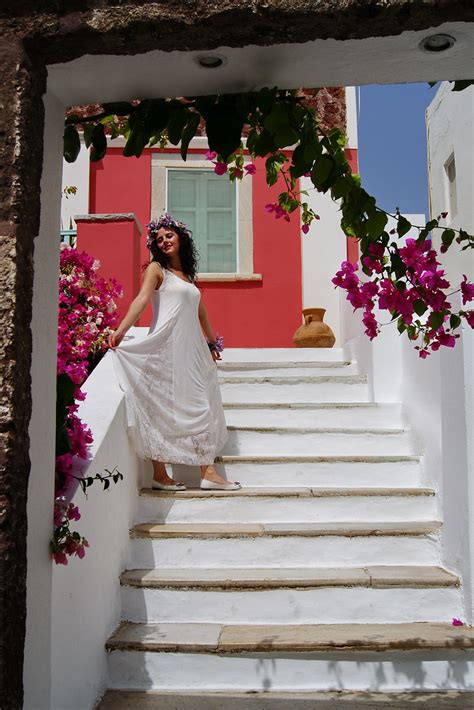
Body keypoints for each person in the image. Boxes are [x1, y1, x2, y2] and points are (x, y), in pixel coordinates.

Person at [108, 213, 240, 491]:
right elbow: (142, 300)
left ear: (181, 237)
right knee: (160, 407)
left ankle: (207, 472)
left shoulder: (188, 276)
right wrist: (120, 330)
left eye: (169, 235)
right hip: (166, 346)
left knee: (200, 404)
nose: (165, 241)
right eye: (159, 238)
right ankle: (162, 474)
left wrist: (213, 343)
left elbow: (201, 312)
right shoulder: (157, 269)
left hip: (191, 350)